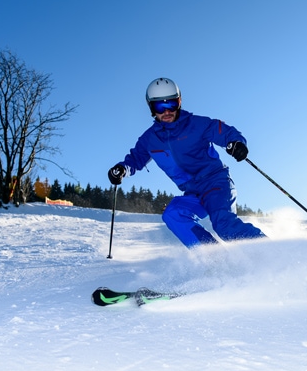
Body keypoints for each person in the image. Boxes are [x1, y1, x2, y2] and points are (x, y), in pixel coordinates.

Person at [107, 77, 266, 248]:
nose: (167, 111)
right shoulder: (150, 139)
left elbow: (224, 132)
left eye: (172, 105)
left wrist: (236, 143)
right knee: (173, 214)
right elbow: (135, 159)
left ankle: (269, 250)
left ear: (180, 102)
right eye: (160, 106)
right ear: (151, 108)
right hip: (192, 192)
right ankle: (213, 256)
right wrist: (122, 169)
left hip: (215, 182)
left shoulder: (197, 124)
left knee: (224, 225)